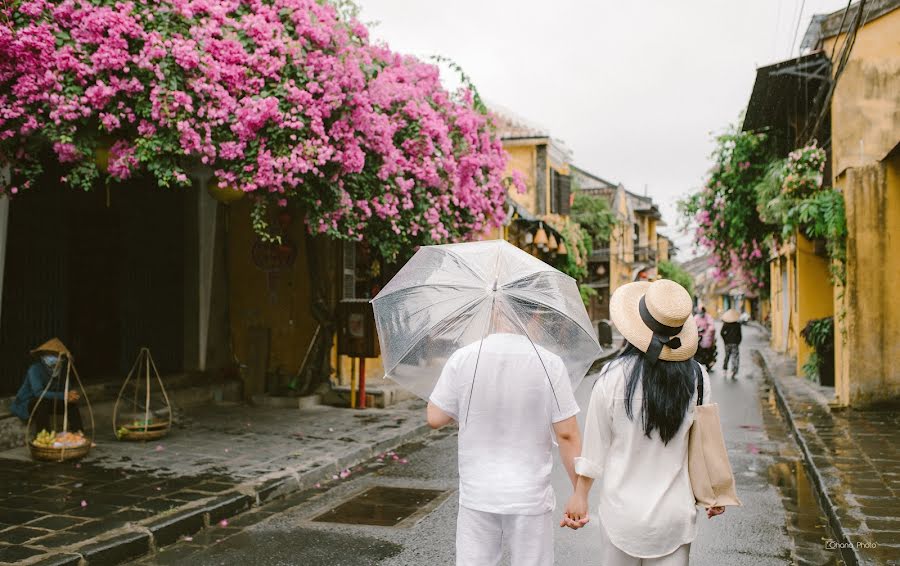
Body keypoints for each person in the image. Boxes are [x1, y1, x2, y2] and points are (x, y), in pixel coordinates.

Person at [562, 280, 725, 565]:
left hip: (621, 515)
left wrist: (580, 496)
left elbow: (594, 449)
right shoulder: (697, 378)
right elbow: (704, 445)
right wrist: (714, 490)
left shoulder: (612, 378)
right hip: (674, 517)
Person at [426, 312, 582, 566]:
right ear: (535, 316)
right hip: (529, 494)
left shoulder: (464, 358)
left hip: (478, 492)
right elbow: (567, 433)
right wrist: (580, 492)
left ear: (496, 310)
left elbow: (435, 417)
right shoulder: (549, 363)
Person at [10, 339, 83, 434]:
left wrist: (71, 395)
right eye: (49, 354)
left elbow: (67, 389)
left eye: (55, 355)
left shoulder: (62, 370)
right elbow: (38, 393)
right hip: (30, 402)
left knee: (72, 405)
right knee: (42, 403)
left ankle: (78, 434)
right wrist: (64, 395)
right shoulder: (35, 369)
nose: (52, 357)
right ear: (43, 356)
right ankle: (43, 436)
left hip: (50, 401)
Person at [720, 309, 743, 379]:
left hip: (727, 343)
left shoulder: (725, 324)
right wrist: (738, 342)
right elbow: (740, 335)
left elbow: (721, 333)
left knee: (727, 356)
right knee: (735, 357)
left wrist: (725, 340)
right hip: (735, 343)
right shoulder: (737, 325)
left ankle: (725, 369)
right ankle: (734, 371)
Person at [694, 306, 716, 371]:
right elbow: (692, 325)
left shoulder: (708, 317)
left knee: (708, 349)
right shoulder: (696, 317)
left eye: (702, 312)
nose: (701, 314)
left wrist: (709, 331)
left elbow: (712, 326)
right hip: (698, 336)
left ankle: (709, 362)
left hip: (707, 337)